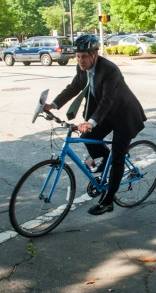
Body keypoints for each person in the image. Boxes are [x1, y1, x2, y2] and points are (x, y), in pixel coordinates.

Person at [43, 34, 147, 215]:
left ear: (94, 55)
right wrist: (53, 105)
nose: (80, 60)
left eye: (84, 56)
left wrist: (90, 122)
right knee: (88, 137)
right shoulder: (81, 68)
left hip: (124, 115)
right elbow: (73, 87)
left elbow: (107, 101)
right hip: (106, 114)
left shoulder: (110, 70)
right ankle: (105, 162)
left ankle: (108, 201)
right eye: (78, 56)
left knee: (117, 156)